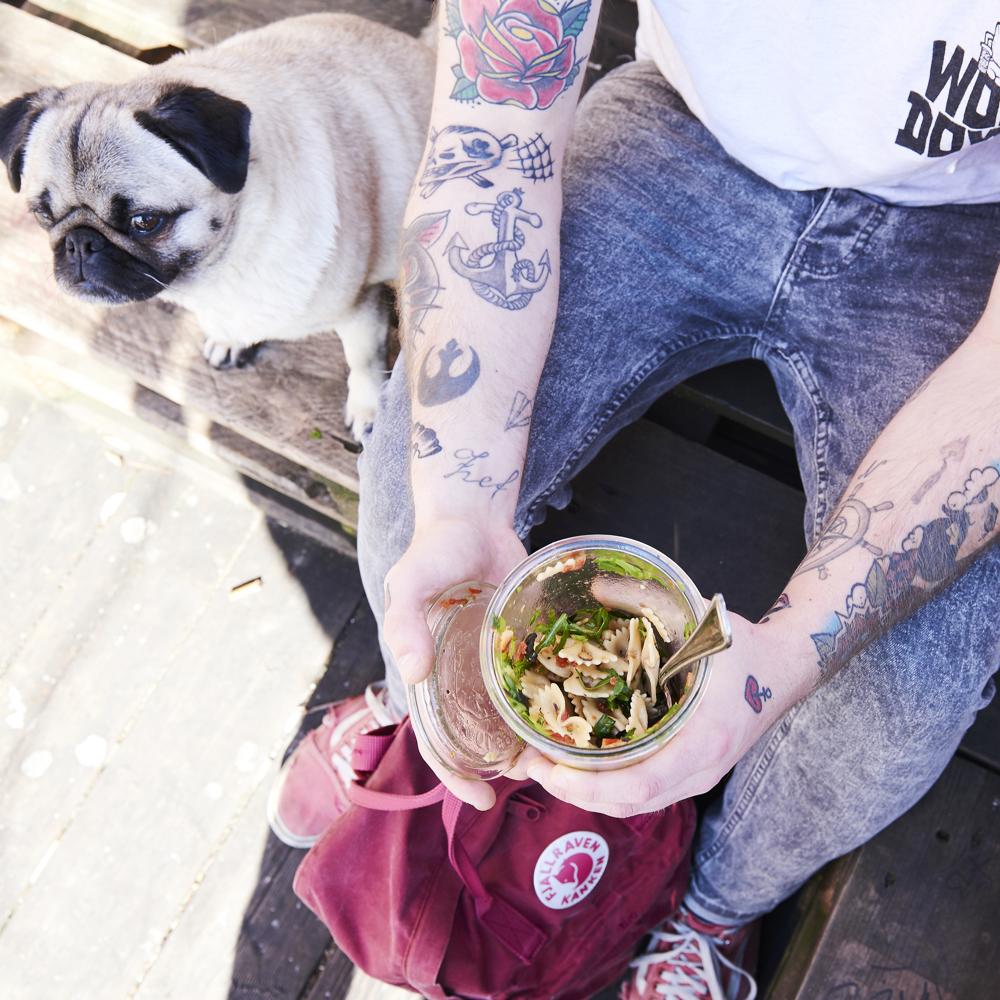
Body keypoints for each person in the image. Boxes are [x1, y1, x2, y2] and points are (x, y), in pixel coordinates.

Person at [270, 3, 1000, 996]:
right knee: (409, 508)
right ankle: (418, 718)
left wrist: (782, 662)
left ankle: (711, 902)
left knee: (899, 698)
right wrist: (457, 512)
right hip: (684, 128)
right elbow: (492, 136)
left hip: (964, 226)